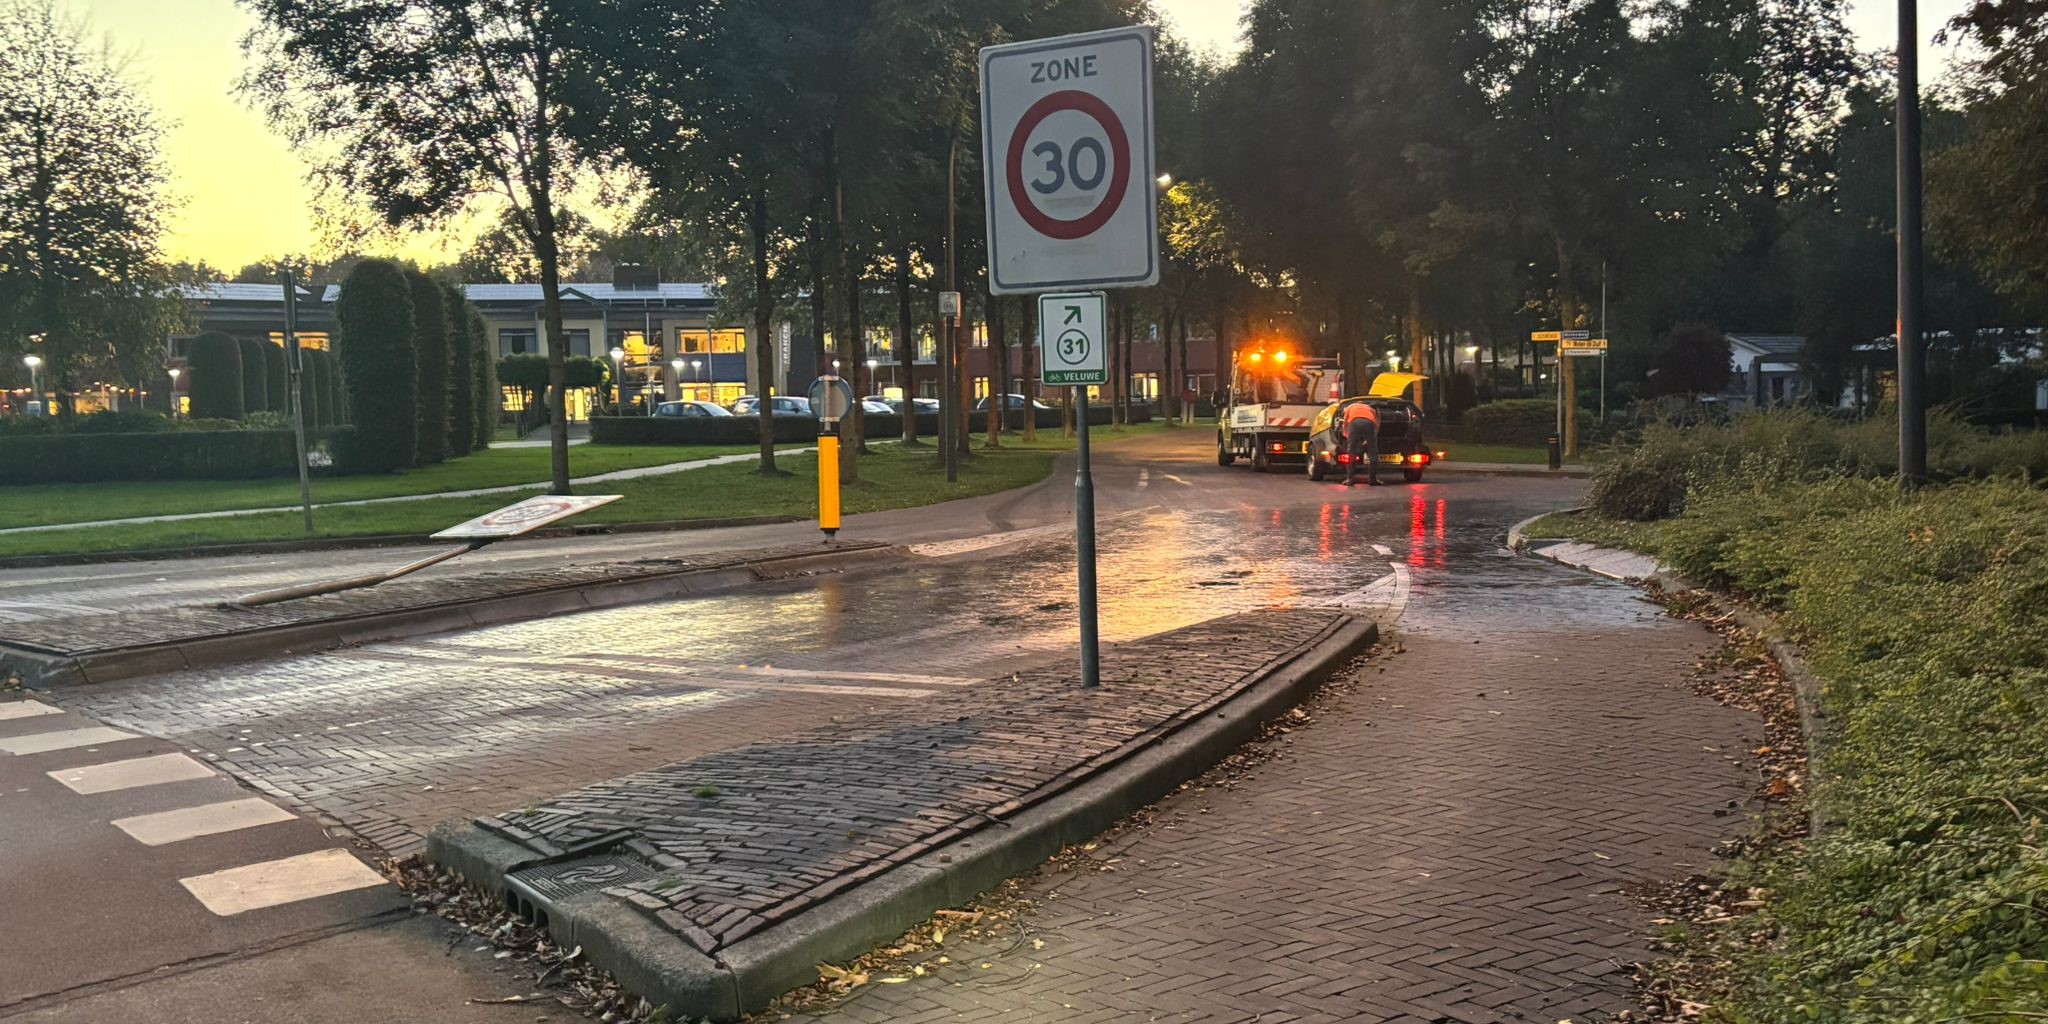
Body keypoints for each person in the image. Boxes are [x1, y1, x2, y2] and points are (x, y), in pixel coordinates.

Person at [1341, 399, 1381, 486]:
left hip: (1355, 422)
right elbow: (1377, 424)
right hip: (1369, 423)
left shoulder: (1350, 407)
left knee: (1351, 451)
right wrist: (1370, 438)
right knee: (1373, 452)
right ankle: (1373, 479)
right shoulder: (1370, 408)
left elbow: (1345, 422)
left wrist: (1347, 435)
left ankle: (1350, 479)